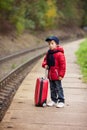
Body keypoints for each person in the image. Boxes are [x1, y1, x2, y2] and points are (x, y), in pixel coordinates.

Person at [42, 36, 66, 108]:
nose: (50, 45)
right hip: (50, 75)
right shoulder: (49, 53)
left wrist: (61, 75)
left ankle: (61, 101)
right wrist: (45, 65)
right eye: (49, 44)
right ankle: (53, 100)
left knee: (59, 88)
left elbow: (63, 66)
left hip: (57, 75)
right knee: (52, 88)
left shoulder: (60, 54)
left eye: (52, 43)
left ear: (57, 44)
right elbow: (45, 61)